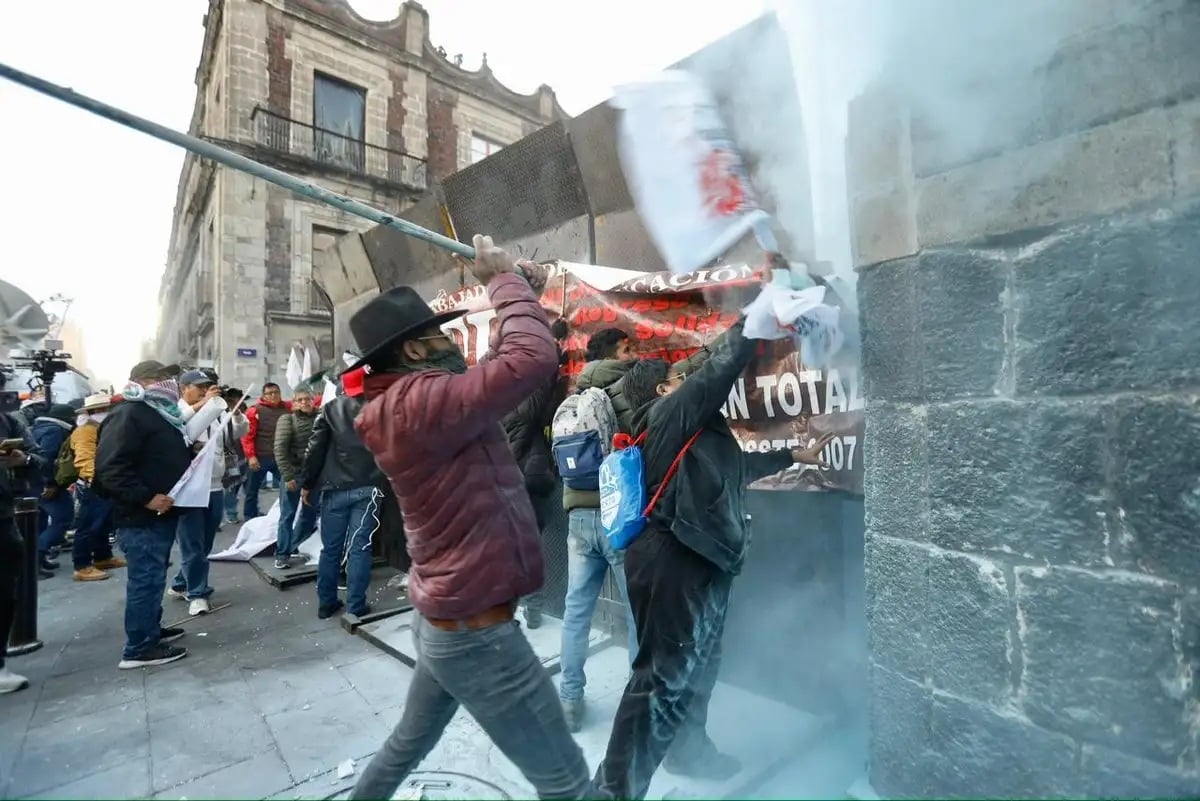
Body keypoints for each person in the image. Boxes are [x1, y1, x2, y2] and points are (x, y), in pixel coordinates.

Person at [348, 235, 589, 800]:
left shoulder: (409, 403)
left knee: (407, 743)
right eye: (440, 335)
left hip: (447, 617)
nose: (452, 343)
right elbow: (529, 361)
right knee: (567, 781)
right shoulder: (419, 405)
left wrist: (519, 294)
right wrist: (502, 279)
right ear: (412, 352)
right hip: (476, 633)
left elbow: (493, 374)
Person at [590, 319, 833, 799]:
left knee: (699, 667)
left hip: (705, 562)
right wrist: (756, 317)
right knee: (661, 681)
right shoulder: (669, 412)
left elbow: (736, 468)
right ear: (664, 388)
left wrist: (793, 455)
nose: (688, 380)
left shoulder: (697, 434)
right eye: (681, 376)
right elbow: (718, 369)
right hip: (674, 561)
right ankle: (611, 792)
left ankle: (689, 752)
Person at [95, 360, 194, 669]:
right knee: (145, 579)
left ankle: (150, 629)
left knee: (153, 576)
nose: (171, 383)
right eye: (165, 378)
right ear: (146, 381)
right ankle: (139, 647)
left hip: (159, 513)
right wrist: (147, 498)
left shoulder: (156, 414)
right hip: (140, 515)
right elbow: (110, 469)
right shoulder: (128, 414)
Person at [501, 318, 568, 630]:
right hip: (527, 481)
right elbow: (537, 399)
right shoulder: (516, 409)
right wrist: (552, 349)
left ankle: (519, 607)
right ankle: (531, 607)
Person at [301, 368, 380, 619]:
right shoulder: (379, 408)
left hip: (334, 488)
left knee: (330, 548)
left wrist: (307, 483)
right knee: (360, 547)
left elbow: (315, 449)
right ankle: (356, 605)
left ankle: (326, 603)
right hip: (370, 487)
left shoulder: (330, 409)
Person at [167, 369, 245, 615]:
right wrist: (203, 404)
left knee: (206, 542)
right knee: (192, 543)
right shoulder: (173, 410)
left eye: (208, 386)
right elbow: (177, 425)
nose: (205, 390)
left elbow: (238, 432)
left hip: (215, 484)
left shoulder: (215, 411)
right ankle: (197, 594)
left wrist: (236, 412)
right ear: (183, 388)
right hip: (188, 488)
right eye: (199, 386)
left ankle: (181, 582)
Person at [0, 409, 43, 693]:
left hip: (3, 516)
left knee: (5, 590)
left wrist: (22, 460)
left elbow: (38, 458)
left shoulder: (8, 420)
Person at [69, 393, 127, 581]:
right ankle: (82, 565)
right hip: (94, 484)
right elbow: (84, 459)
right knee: (88, 525)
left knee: (103, 523)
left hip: (104, 482)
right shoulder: (86, 431)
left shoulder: (100, 428)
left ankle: (103, 557)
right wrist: (100, 480)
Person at [273, 387, 320, 569]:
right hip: (293, 474)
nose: (304, 402)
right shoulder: (287, 420)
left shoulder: (320, 417)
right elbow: (280, 450)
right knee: (288, 514)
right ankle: (282, 554)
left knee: (309, 514)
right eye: (300, 399)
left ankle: (293, 546)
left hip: (314, 475)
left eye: (307, 399)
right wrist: (287, 475)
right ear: (294, 402)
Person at [240, 383, 288, 519]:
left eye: (276, 392)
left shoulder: (287, 408)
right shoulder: (254, 411)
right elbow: (247, 436)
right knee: (251, 491)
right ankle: (250, 518)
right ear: (263, 395)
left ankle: (287, 514)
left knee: (289, 487)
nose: (273, 395)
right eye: (270, 393)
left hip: (280, 457)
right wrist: (251, 457)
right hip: (260, 458)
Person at [220, 387, 247, 525]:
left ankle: (232, 512)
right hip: (223, 455)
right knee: (228, 487)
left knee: (235, 484)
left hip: (237, 454)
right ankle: (227, 514)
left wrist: (236, 413)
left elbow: (242, 430)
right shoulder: (217, 411)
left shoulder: (238, 411)